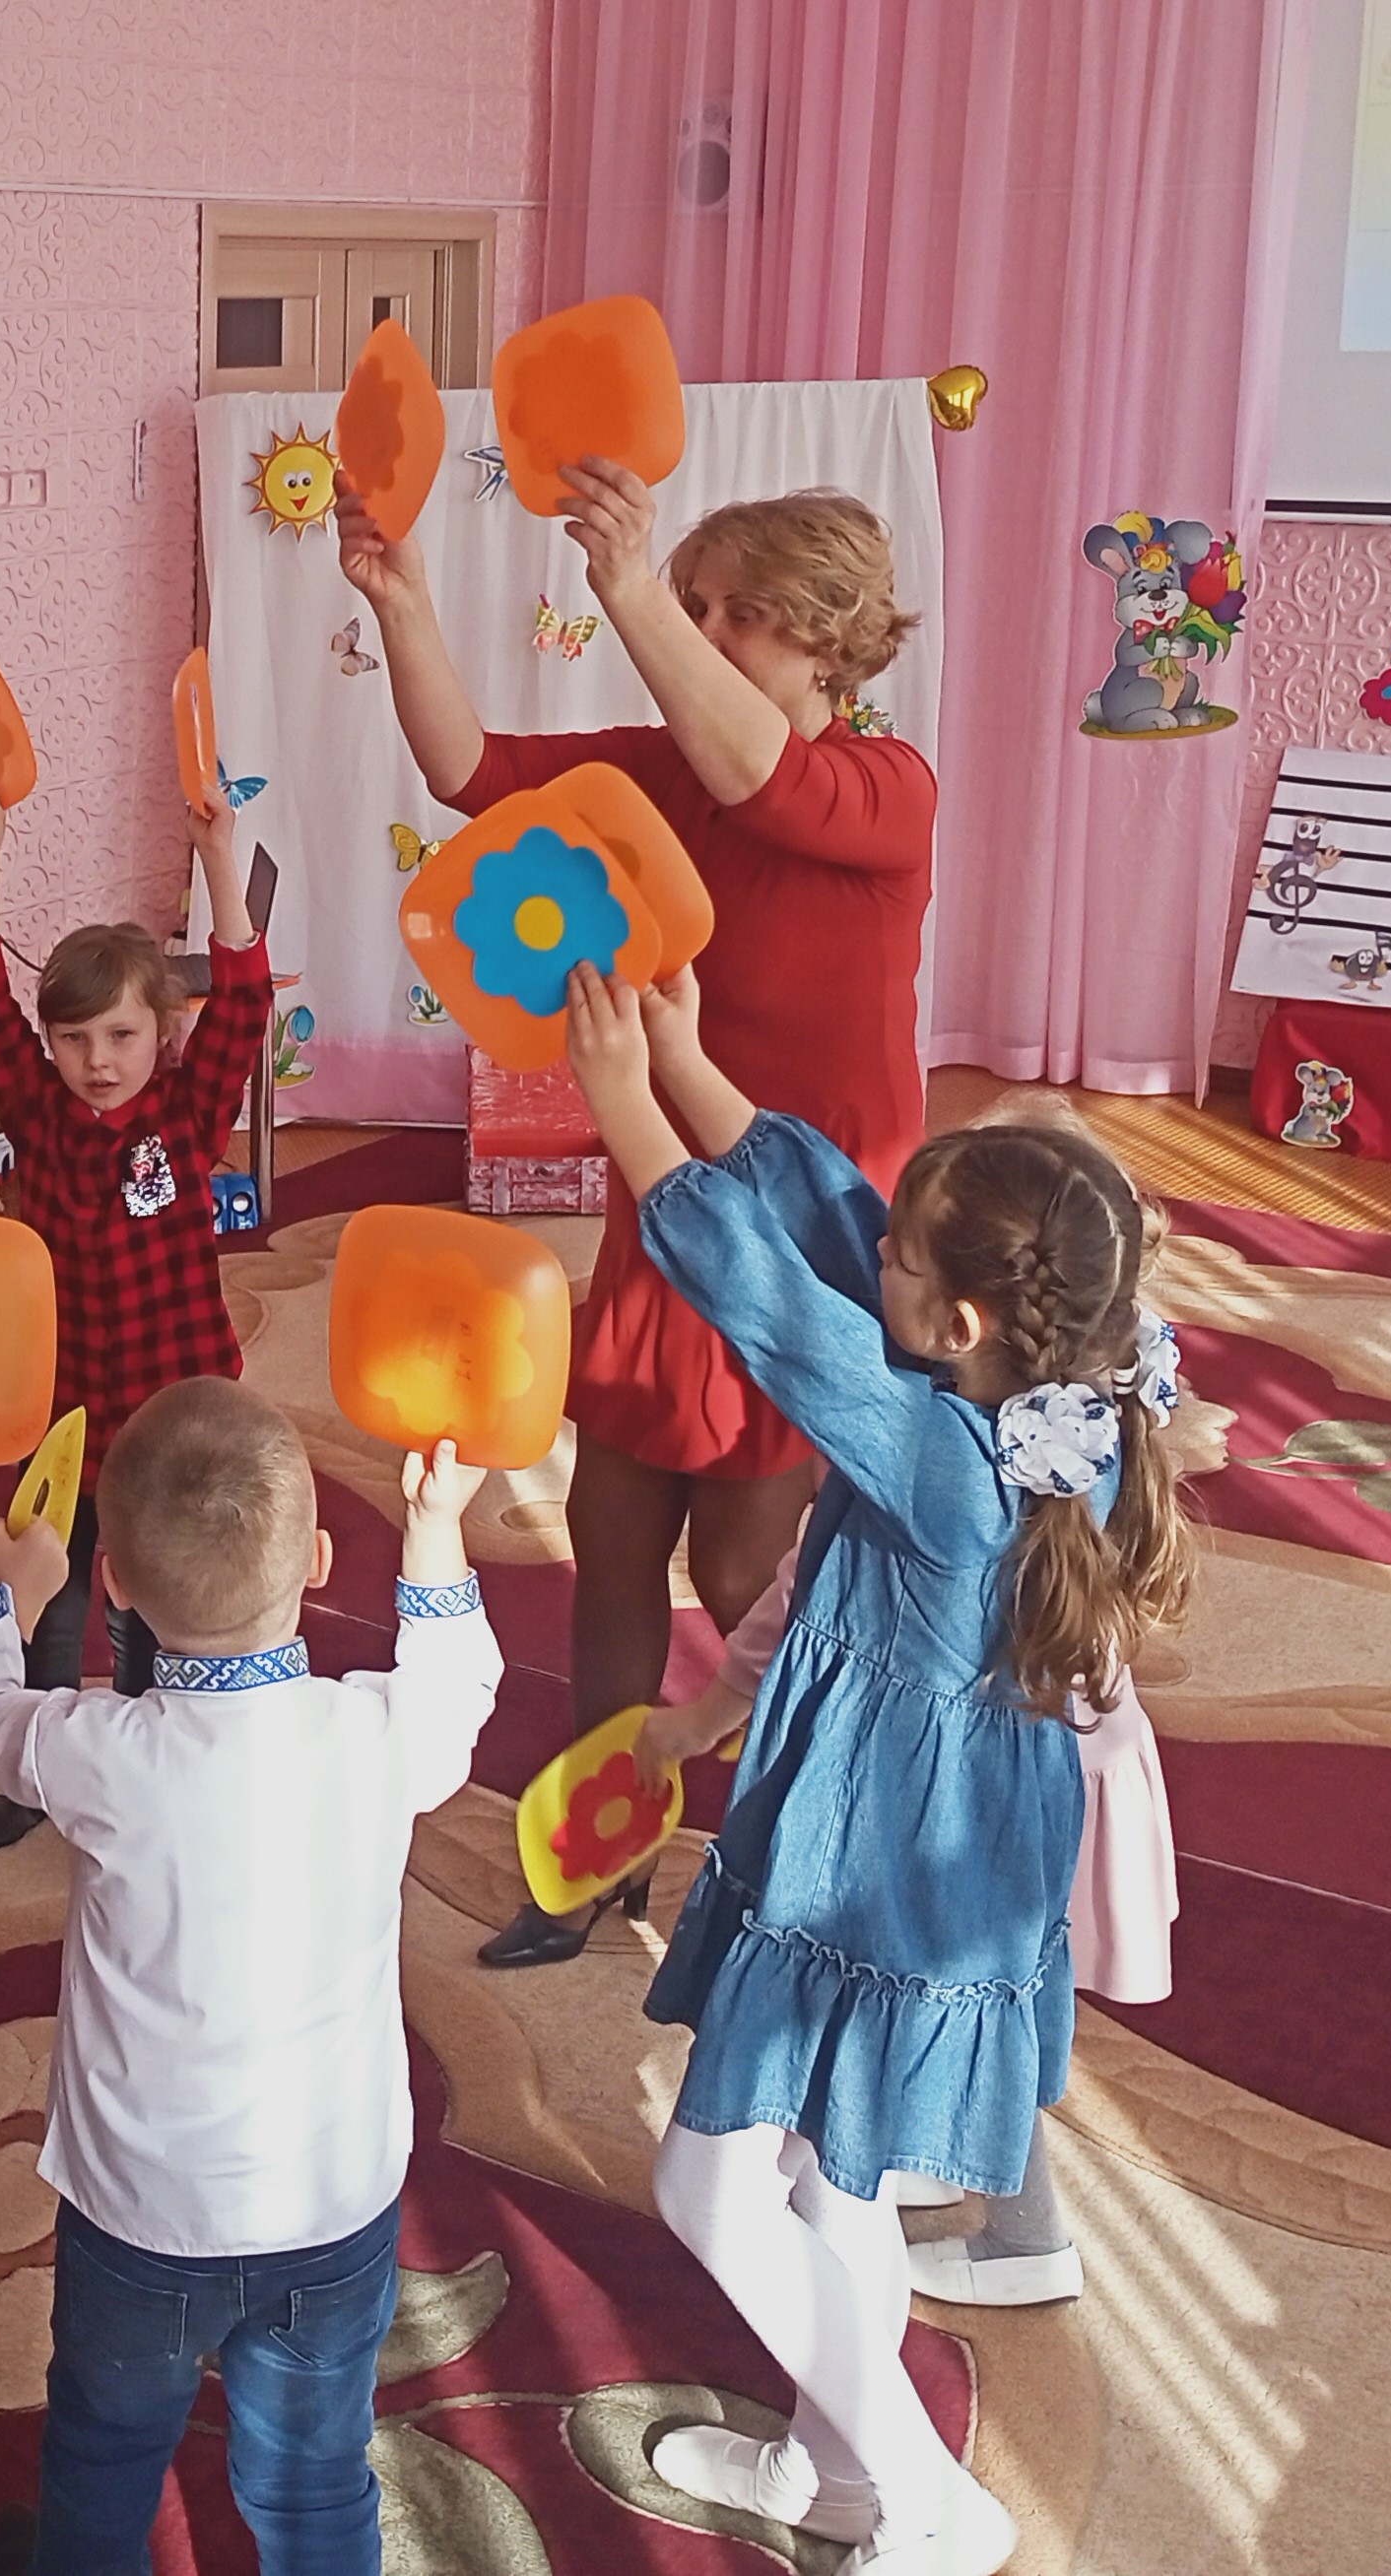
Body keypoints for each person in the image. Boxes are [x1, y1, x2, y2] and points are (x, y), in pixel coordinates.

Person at [559, 966, 1193, 2574]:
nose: (879, 1263)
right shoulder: (1016, 1382)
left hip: (881, 1882)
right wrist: (690, 1064)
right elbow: (841, 1221)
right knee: (828, 2189)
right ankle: (830, 2467)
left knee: (713, 2189)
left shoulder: (942, 1454)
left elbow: (776, 1315)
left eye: (908, 1264)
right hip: (906, 1852)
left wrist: (625, 1108)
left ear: (959, 1320)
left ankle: (919, 2497)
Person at [337, 468, 936, 1967]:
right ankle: (590, 1868)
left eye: (737, 614)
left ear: (824, 636)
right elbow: (470, 768)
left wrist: (627, 588)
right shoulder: (661, 773)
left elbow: (768, 782)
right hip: (666, 1206)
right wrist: (400, 601)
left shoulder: (886, 789)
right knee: (609, 1550)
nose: (705, 636)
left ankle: (811, 1856)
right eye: (697, 608)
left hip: (806, 1249)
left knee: (748, 1583)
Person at [0, 1379, 498, 2576]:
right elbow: (456, 1690)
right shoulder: (376, 1732)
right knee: (317, 2478)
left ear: (112, 1581)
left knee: (104, 2454)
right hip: (332, 2202)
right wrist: (434, 1532)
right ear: (317, 1562)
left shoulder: (98, 1750)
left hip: (142, 2214)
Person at [0, 786, 273, 1852]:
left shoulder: (186, 1110)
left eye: (121, 1034)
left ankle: (142, 1753)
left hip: (175, 1408)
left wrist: (218, 858)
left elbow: (245, 1001)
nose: (98, 1059)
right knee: (55, 1587)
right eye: (73, 1037)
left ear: (161, 1032)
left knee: (152, 1598)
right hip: (66, 1407)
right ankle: (39, 1772)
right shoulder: (39, 1109)